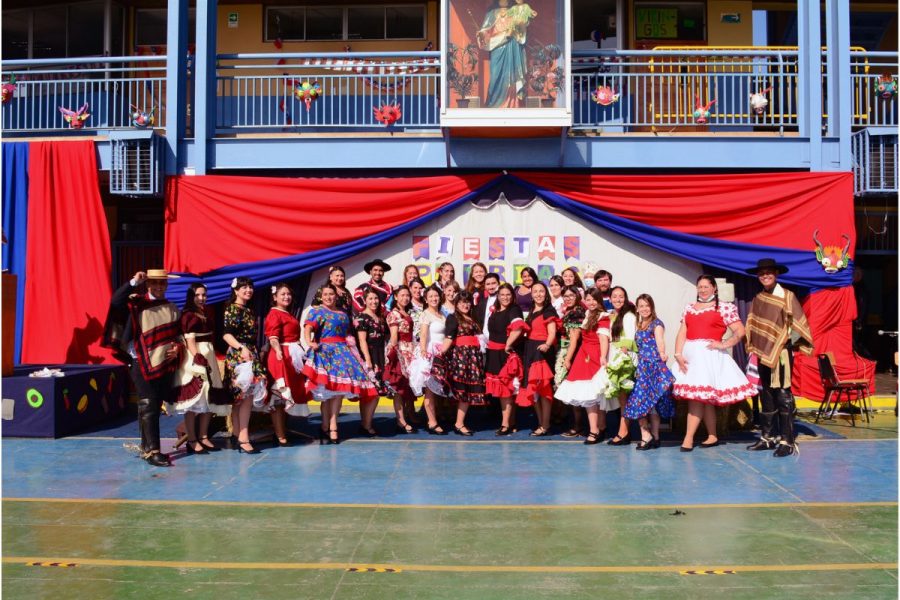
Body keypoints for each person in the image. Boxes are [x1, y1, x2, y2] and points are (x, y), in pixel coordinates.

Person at [104, 269, 182, 467]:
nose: (158, 287)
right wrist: (133, 281)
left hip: (162, 362)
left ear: (166, 285)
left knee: (153, 405)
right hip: (140, 361)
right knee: (149, 403)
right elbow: (115, 302)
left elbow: (177, 334)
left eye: (162, 284)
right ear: (147, 284)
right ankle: (154, 451)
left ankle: (146, 448)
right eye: (154, 283)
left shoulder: (171, 307)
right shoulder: (137, 303)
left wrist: (177, 348)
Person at [672, 275, 757, 451]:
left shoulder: (724, 307)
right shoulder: (689, 308)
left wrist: (724, 343)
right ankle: (712, 435)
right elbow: (682, 333)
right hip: (690, 358)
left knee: (697, 399)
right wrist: (678, 354)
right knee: (704, 399)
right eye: (700, 287)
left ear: (714, 289)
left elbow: (740, 331)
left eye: (706, 286)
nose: (702, 290)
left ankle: (688, 438)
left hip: (709, 358)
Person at [744, 258, 814, 457]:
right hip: (763, 354)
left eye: (769, 272)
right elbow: (754, 325)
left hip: (781, 354)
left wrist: (786, 342)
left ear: (776, 274)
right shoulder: (759, 298)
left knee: (783, 395)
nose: (765, 276)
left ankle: (787, 440)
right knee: (766, 394)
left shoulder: (787, 296)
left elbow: (799, 325)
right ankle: (768, 438)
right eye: (762, 273)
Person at [304, 284, 378, 444]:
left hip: (341, 353)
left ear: (336, 296)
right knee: (326, 394)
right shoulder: (316, 311)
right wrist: (310, 342)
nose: (329, 297)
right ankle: (325, 427)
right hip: (325, 352)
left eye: (331, 294)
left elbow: (348, 334)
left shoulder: (343, 314)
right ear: (321, 296)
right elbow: (308, 328)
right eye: (326, 294)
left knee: (337, 392)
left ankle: (332, 427)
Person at [170, 282, 230, 455]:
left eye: (204, 294)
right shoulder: (188, 315)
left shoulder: (204, 312)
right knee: (194, 401)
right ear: (191, 295)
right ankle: (192, 439)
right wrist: (198, 358)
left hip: (208, 354)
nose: (202, 298)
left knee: (209, 398)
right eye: (198, 295)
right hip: (196, 356)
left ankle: (203, 436)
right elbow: (190, 341)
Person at [555, 288, 615, 445]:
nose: (591, 302)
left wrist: (602, 357)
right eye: (588, 299)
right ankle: (596, 429)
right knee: (590, 396)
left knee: (596, 395)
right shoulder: (588, 314)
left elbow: (603, 339)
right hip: (584, 355)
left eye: (594, 299)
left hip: (595, 356)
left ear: (599, 300)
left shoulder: (603, 316)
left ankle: (598, 429)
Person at [223, 277, 267, 454]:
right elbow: (227, 335)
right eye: (244, 287)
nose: (248, 290)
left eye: (250, 287)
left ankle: (237, 434)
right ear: (235, 290)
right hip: (240, 355)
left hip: (250, 353)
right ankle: (243, 437)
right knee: (244, 397)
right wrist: (242, 348)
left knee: (242, 398)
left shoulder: (248, 310)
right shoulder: (232, 309)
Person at [625, 294, 675, 450]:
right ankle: (654, 437)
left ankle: (648, 436)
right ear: (637, 309)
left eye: (647, 305)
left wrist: (662, 354)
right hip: (643, 367)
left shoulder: (656, 324)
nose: (644, 308)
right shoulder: (640, 325)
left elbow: (660, 342)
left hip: (653, 366)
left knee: (643, 402)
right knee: (647, 404)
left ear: (651, 307)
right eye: (641, 306)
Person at [264, 282, 310, 447]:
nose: (286, 297)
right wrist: (278, 352)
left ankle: (283, 429)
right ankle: (280, 434)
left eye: (288, 294)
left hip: (292, 357)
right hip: (282, 356)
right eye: (282, 294)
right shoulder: (274, 314)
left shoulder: (287, 313)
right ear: (275, 297)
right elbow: (273, 337)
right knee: (279, 396)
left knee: (287, 397)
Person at [441, 291, 487, 435]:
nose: (465, 305)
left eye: (467, 302)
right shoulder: (453, 318)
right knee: (460, 391)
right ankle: (457, 423)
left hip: (473, 359)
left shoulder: (472, 318)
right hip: (461, 359)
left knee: (466, 392)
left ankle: (459, 423)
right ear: (456, 304)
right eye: (461, 302)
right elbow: (449, 338)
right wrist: (439, 354)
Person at [484, 283, 527, 435]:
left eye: (508, 294)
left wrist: (508, 345)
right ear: (498, 296)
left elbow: (519, 328)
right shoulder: (495, 310)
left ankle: (505, 424)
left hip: (505, 354)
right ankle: (511, 422)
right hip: (493, 353)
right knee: (506, 391)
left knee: (506, 390)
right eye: (502, 294)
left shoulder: (514, 309)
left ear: (513, 296)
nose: (505, 297)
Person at [408, 286, 451, 434]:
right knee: (430, 390)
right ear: (426, 299)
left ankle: (435, 418)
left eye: (436, 296)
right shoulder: (425, 314)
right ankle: (432, 422)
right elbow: (424, 335)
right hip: (430, 352)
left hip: (442, 352)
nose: (434, 298)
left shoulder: (442, 315)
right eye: (430, 296)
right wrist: (424, 351)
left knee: (437, 389)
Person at [519, 282, 559, 436]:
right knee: (534, 389)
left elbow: (552, 332)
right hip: (530, 350)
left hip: (541, 352)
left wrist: (547, 345)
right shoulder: (531, 310)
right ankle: (541, 423)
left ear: (546, 293)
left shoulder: (548, 310)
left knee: (544, 389)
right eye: (535, 291)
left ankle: (545, 424)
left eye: (541, 291)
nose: (538, 294)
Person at [477, 0, 528, 108]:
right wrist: (481, 34)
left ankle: (512, 104)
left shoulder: (514, 12)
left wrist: (521, 7)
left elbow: (523, 25)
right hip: (496, 47)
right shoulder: (492, 13)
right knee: (495, 76)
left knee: (511, 75)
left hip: (511, 47)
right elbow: (485, 30)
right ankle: (493, 104)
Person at [355, 289, 392, 437]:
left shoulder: (380, 317)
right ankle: (366, 424)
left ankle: (365, 423)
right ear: (365, 300)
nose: (373, 301)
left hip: (379, 356)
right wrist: (368, 360)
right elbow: (362, 340)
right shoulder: (362, 317)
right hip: (368, 357)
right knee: (372, 393)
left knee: (373, 393)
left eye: (376, 298)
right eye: (370, 298)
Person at [606, 286, 638, 446]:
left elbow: (631, 338)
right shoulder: (612, 315)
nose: (618, 299)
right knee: (621, 396)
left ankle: (623, 432)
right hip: (613, 355)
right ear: (610, 298)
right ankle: (623, 430)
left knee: (624, 396)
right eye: (615, 296)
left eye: (621, 296)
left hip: (623, 357)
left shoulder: (629, 316)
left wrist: (622, 355)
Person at [385, 286, 419, 432]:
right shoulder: (394, 314)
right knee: (399, 387)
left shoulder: (406, 312)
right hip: (400, 351)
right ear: (396, 297)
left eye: (407, 295)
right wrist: (393, 354)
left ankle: (408, 414)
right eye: (402, 295)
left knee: (407, 386)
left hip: (410, 350)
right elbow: (394, 337)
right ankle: (400, 420)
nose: (405, 298)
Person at [555, 285, 587, 437]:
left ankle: (578, 426)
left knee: (574, 391)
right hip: (570, 352)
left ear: (577, 296)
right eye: (565, 296)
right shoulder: (571, 311)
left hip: (574, 354)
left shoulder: (576, 313)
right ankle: (577, 425)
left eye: (571, 295)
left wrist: (567, 359)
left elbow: (574, 338)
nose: (568, 298)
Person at [408, 277, 426, 345]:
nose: (418, 290)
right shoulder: (407, 305)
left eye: (420, 288)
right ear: (410, 289)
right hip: (411, 342)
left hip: (425, 341)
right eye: (415, 287)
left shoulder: (427, 305)